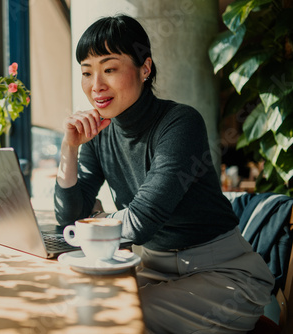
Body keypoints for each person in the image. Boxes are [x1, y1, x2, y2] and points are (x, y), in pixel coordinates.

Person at [54, 14, 274, 333]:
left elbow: (142, 222)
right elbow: (68, 218)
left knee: (109, 316)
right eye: (87, 72)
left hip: (224, 277)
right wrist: (69, 148)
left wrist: (91, 222)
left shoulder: (180, 124)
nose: (96, 85)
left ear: (145, 68)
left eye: (110, 69)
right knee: (76, 302)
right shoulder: (98, 134)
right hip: (153, 271)